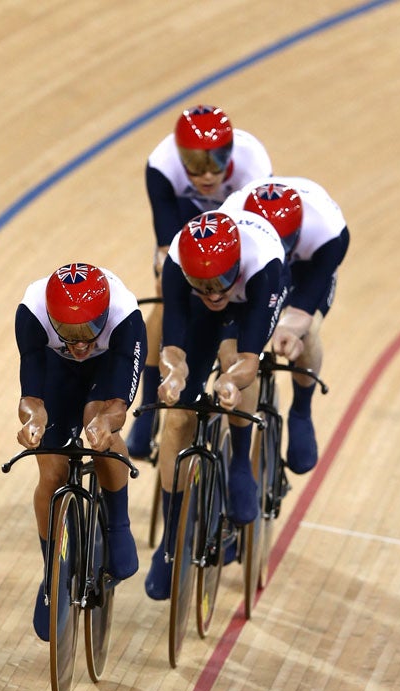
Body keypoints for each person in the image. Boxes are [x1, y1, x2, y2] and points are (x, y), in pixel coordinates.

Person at [146, 209, 284, 599]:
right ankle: (172, 540)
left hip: (252, 307)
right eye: (203, 284)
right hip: (200, 316)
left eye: (221, 281)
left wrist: (229, 382)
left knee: (231, 360)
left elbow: (249, 361)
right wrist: (173, 375)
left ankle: (240, 463)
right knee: (177, 419)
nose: (213, 292)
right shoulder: (177, 264)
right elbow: (173, 346)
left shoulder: (263, 267)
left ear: (236, 266)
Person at [126, 104, 273, 459]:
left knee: (238, 310)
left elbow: (255, 237)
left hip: (235, 236)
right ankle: (147, 412)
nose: (207, 178)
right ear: (180, 158)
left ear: (230, 154)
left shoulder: (254, 163)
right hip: (186, 235)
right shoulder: (161, 165)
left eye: (215, 166)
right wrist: (172, 282)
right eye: (195, 168)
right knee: (165, 304)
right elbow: (166, 244)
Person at [15, 263, 147, 639]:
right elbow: (31, 395)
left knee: (98, 424)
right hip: (58, 372)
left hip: (108, 370)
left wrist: (106, 423)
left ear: (104, 316)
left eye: (89, 330)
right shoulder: (32, 312)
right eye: (69, 332)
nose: (79, 342)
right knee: (51, 470)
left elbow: (118, 406)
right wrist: (33, 420)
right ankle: (51, 571)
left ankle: (118, 526)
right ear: (51, 318)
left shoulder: (125, 317)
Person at [238, 176, 349, 474]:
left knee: (306, 331)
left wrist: (288, 328)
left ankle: (302, 409)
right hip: (256, 265)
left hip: (305, 268)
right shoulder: (232, 216)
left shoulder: (329, 233)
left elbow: (301, 312)